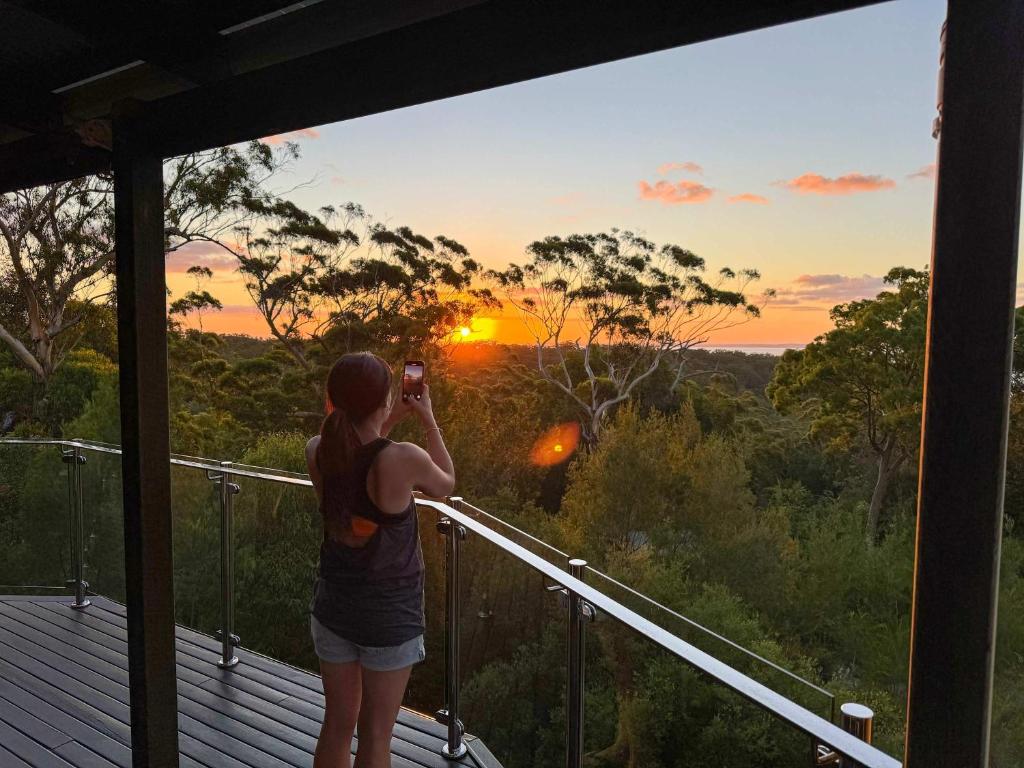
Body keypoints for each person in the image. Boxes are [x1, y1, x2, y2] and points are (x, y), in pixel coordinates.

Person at [306, 352, 455, 768]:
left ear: (330, 400)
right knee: (375, 738)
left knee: (336, 725)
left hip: (334, 606)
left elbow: (359, 452)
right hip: (390, 616)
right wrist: (427, 419)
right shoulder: (402, 459)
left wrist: (388, 420)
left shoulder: (317, 450)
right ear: (387, 398)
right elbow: (445, 482)